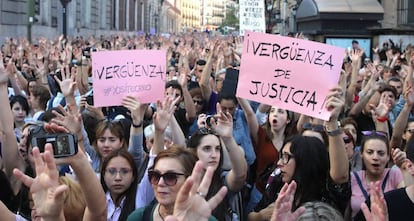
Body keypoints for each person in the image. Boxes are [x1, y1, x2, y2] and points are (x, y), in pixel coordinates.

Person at [248, 87, 351, 220]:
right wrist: (261, 216)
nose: (279, 163)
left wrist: (332, 122)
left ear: (305, 160)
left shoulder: (326, 189)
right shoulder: (278, 183)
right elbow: (251, 216)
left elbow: (341, 176)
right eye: (281, 156)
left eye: (286, 157)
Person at [127, 147, 220, 221]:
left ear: (190, 181)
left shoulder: (204, 219)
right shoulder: (138, 217)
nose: (160, 183)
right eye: (155, 176)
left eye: (170, 177)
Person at [187, 107, 247, 220]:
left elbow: (240, 175)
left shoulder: (222, 179)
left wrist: (227, 138)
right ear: (193, 152)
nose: (214, 155)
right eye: (207, 149)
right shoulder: (181, 181)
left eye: (218, 149)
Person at [350, 130, 404, 217]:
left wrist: (403, 167)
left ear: (388, 157)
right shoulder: (353, 178)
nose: (375, 157)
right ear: (361, 154)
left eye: (381, 153)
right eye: (370, 152)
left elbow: (408, 201)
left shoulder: (395, 175)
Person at [101, 149, 138, 221]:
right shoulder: (95, 200)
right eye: (112, 171)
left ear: (133, 176)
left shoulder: (141, 196)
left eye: (125, 171)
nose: (118, 178)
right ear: (103, 175)